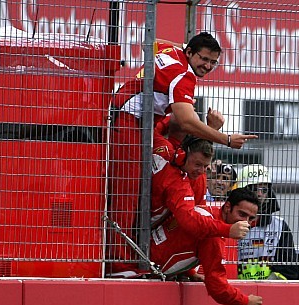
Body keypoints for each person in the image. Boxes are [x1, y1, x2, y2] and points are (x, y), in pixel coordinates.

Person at [107, 32, 256, 273]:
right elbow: (185, 121)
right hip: (128, 121)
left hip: (137, 122)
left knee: (131, 192)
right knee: (126, 194)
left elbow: (154, 42)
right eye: (203, 59)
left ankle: (131, 253)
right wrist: (226, 139)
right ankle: (118, 264)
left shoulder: (172, 52)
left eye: (212, 62)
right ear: (190, 54)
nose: (207, 66)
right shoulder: (184, 76)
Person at [150, 187, 263, 305]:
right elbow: (217, 287)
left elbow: (179, 241)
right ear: (227, 207)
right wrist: (246, 301)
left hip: (143, 254)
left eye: (251, 219)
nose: (245, 223)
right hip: (143, 272)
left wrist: (190, 272)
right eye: (242, 214)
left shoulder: (206, 210)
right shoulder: (213, 237)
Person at [234, 164, 298, 280]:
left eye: (264, 190)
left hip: (269, 292)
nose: (259, 194)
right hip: (233, 291)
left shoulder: (279, 226)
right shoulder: (227, 223)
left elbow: (288, 270)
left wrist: (267, 286)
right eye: (254, 188)